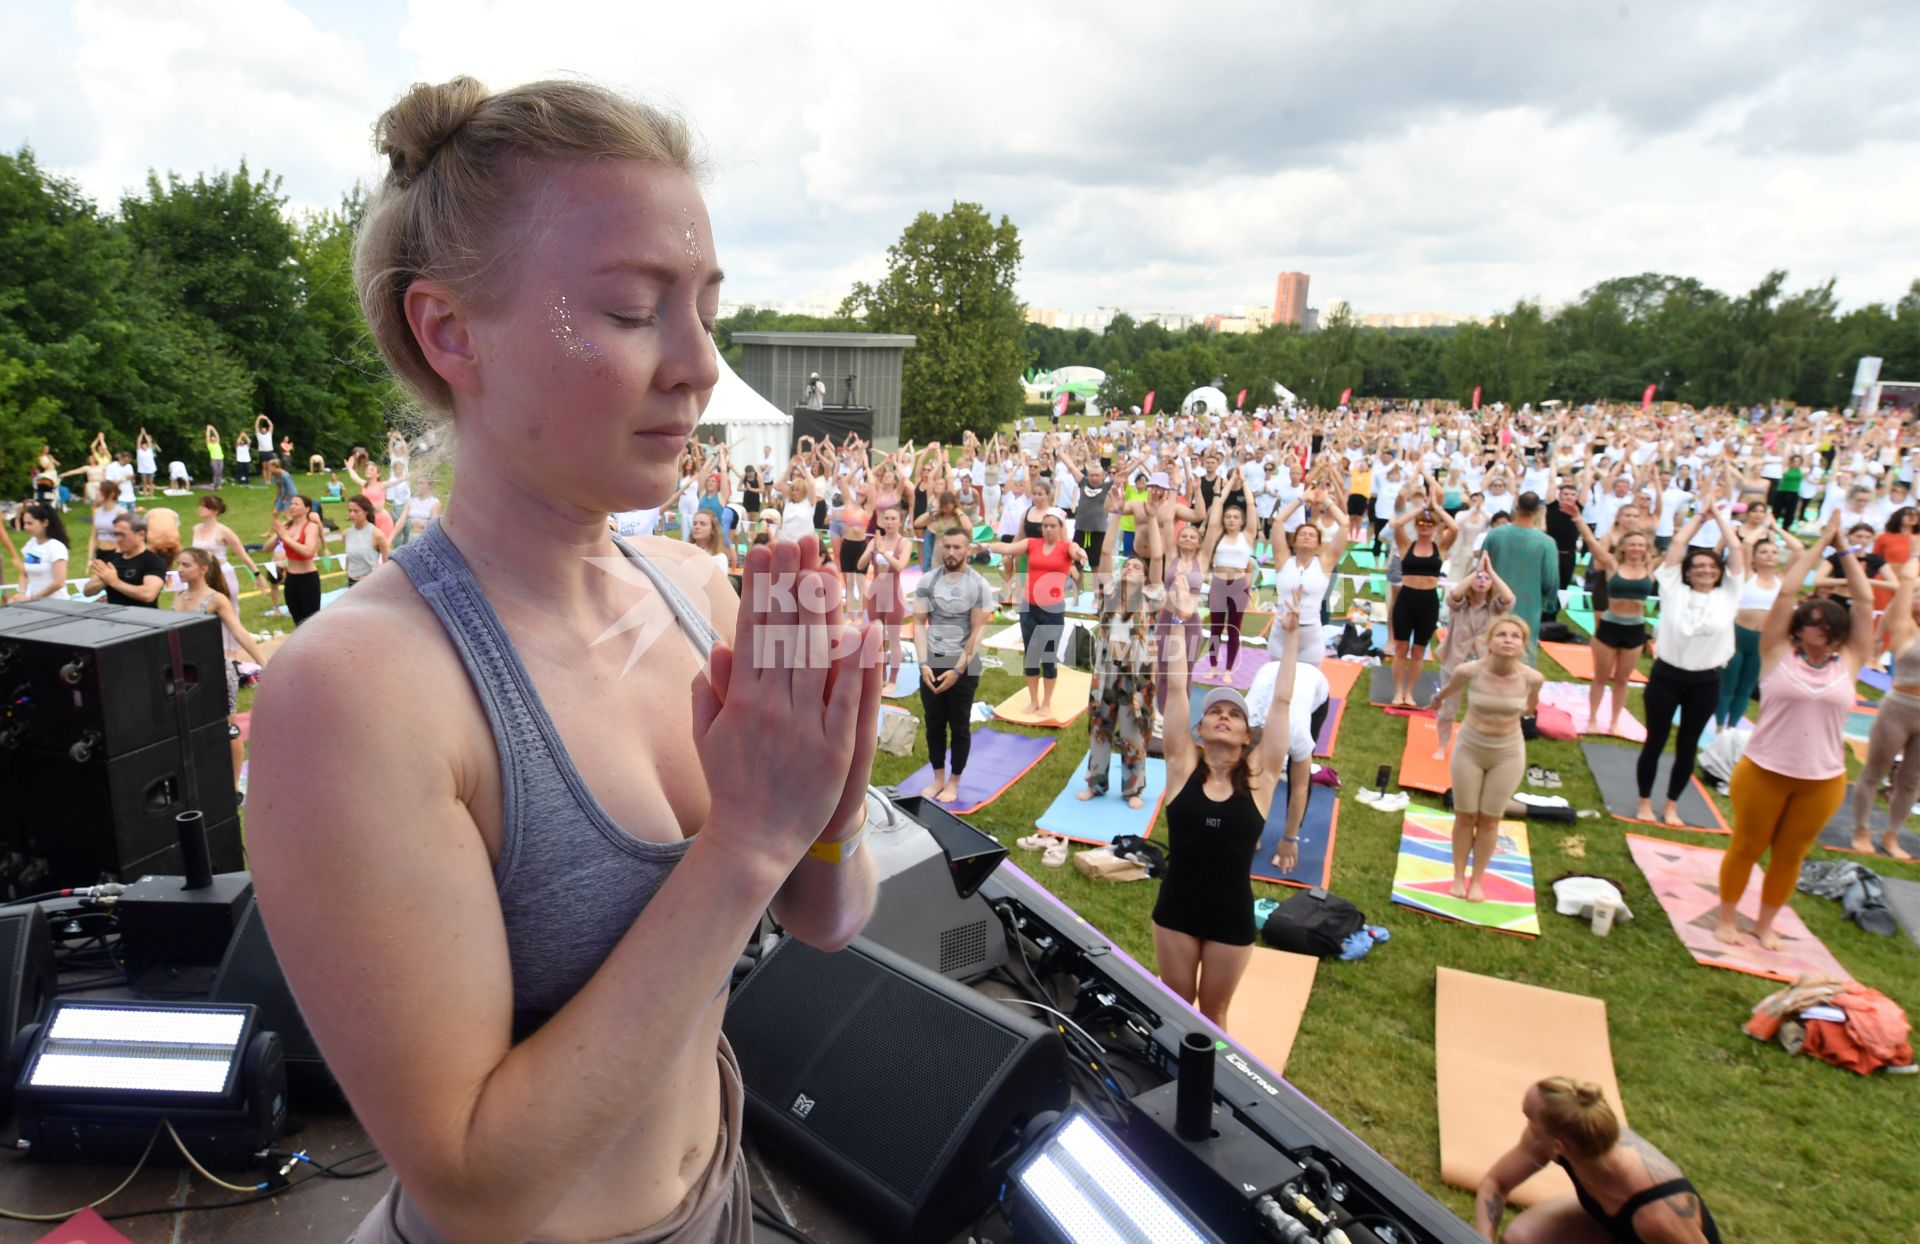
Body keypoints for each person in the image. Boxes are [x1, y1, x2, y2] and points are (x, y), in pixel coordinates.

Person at [248, 76, 879, 1244]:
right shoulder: (361, 690)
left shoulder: (697, 588)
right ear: (450, 332)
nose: (696, 364)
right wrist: (743, 840)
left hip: (718, 1198)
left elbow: (830, 915)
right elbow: (475, 1187)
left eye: (705, 307)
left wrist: (822, 805)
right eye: (636, 310)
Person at [1154, 586, 1311, 1026]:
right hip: (1176, 910)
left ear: (1246, 736)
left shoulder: (1260, 779)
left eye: (1235, 714)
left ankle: (1211, 1090)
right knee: (1176, 1005)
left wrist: (1291, 637)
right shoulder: (1182, 768)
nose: (1224, 715)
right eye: (1215, 712)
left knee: (1214, 1013)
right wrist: (1183, 623)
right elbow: (1177, 689)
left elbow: (1281, 703)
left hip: (1231, 916)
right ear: (1200, 730)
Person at [1720, 513, 1872, 950]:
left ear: (1838, 631)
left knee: (1790, 855)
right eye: (1811, 621)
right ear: (1798, 626)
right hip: (1764, 769)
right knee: (1747, 847)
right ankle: (1727, 918)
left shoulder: (1852, 660)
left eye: (1827, 624)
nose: (1818, 628)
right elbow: (1786, 591)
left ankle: (1765, 924)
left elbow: (1863, 603)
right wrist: (1817, 544)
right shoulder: (1778, 652)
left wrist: (1843, 549)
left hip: (1822, 779)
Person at [1473, 1076, 1721, 1243]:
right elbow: (1495, 1184)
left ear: (1560, 1146)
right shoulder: (1563, 1140)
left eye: (1530, 1117)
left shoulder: (1657, 1215)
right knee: (1521, 1237)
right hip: (1612, 1222)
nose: (1527, 1125)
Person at [1635, 495, 1745, 825]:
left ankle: (1671, 805)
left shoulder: (1729, 594)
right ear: (1687, 572)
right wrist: (1701, 516)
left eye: (1712, 567)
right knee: (1655, 740)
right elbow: (1679, 543)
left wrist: (1722, 521)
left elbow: (1737, 552)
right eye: (1699, 567)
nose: (1705, 571)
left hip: (1705, 680)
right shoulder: (1673, 589)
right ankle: (1644, 802)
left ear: (1719, 572)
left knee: (1687, 746)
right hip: (1667, 675)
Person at [1430, 615, 1543, 899]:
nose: (1508, 640)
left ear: (1523, 645)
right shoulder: (1469, 671)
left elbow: (1531, 708)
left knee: (1491, 819)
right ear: (1488, 641)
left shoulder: (1532, 678)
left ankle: (1477, 881)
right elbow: (1446, 693)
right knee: (1466, 815)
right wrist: (1436, 702)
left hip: (1507, 752)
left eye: (1515, 636)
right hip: (1470, 747)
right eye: (1501, 634)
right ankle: (1458, 876)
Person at [175, 547, 270, 791]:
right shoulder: (178, 597)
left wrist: (263, 662)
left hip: (216, 669)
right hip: (186, 672)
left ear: (203, 569)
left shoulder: (216, 599)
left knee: (228, 727)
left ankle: (235, 784)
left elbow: (239, 632)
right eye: (179, 564)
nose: (180, 570)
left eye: (186, 565)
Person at [978, 511, 1089, 718]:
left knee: (1048, 657)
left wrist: (1081, 553)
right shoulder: (1032, 543)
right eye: (1045, 525)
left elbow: (1076, 550)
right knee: (1030, 656)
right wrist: (987, 546)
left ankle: (1046, 703)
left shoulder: (1066, 547)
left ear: (1060, 527)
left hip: (1052, 610)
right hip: (1029, 606)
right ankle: (1033, 700)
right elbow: (1009, 547)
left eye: (1052, 526)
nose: (1047, 529)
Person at [912, 527, 995, 803]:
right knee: (933, 723)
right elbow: (918, 624)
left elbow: (977, 632)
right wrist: (923, 663)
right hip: (933, 658)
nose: (951, 552)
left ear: (968, 550)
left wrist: (958, 670)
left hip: (964, 663)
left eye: (957, 547)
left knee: (958, 725)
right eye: (946, 546)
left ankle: (954, 781)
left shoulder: (978, 585)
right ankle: (937, 778)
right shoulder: (927, 581)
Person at [1851, 543, 1920, 859]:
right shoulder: (1905, 629)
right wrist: (1916, 553)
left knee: (1911, 781)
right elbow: (1906, 583)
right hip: (1899, 707)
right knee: (1873, 771)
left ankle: (1892, 836)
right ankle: (1861, 829)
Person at [1080, 556, 1162, 809]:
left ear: (1146, 578)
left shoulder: (1151, 600)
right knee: (1100, 728)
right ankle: (1095, 783)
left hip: (1135, 676)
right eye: (1127, 565)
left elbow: (1157, 558)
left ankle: (1133, 789)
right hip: (1107, 673)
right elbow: (1104, 556)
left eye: (1137, 567)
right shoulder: (1109, 596)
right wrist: (1114, 517)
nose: (1129, 568)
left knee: (1133, 731)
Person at [1567, 506, 1656, 737]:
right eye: (1632, 544)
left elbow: (1677, 548)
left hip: (1635, 629)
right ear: (1623, 547)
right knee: (1600, 677)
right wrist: (1577, 517)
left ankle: (1615, 721)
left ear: (1646, 548)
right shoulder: (1612, 564)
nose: (1636, 548)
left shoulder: (1651, 567)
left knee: (1622, 680)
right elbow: (1590, 540)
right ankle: (1593, 719)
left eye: (1640, 544)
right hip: (1609, 626)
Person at [1431, 553, 1517, 758]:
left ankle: (1476, 746)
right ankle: (1442, 744)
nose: (1481, 581)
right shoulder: (1459, 605)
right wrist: (1476, 572)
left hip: (1484, 664)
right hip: (1455, 661)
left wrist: (1491, 572)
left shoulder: (1496, 607)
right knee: (1448, 706)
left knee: (1482, 707)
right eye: (1478, 577)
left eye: (1485, 579)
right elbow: (1454, 594)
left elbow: (1509, 598)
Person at [1716, 523, 1799, 728]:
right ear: (1755, 557)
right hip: (1738, 636)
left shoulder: (1781, 579)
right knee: (1728, 685)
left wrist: (1778, 529)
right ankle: (1719, 728)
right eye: (1764, 552)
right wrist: (1764, 526)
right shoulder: (1747, 575)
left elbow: (1798, 550)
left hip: (1763, 642)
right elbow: (1747, 543)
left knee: (1746, 687)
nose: (1769, 555)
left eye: (1773, 552)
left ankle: (1732, 727)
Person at [1387, 479, 1456, 707]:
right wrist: (1419, 508)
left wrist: (1435, 508)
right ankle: (1398, 691)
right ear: (1416, 525)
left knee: (1418, 651)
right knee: (1400, 648)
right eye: (1421, 523)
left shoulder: (1441, 548)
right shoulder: (1407, 545)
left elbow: (1454, 528)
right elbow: (1397, 525)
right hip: (1406, 599)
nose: (1425, 526)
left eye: (1429, 523)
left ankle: (1410, 692)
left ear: (1435, 527)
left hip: (1428, 601)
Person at [1481, 492, 1558, 664]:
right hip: (1529, 603)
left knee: (1492, 642)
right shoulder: (1546, 542)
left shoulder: (1495, 535)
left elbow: (1482, 568)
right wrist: (1550, 603)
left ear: (1516, 507)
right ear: (1538, 511)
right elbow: (1551, 580)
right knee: (1523, 645)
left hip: (1495, 600)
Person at [1201, 471, 1256, 675]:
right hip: (1218, 584)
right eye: (1228, 517)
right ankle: (1214, 666)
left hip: (1238, 585)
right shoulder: (1217, 533)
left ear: (1241, 521)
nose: (1231, 520)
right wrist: (1231, 481)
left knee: (1234, 629)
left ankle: (1228, 670)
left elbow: (1251, 506)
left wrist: (1244, 482)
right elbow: (1218, 504)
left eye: (1235, 517)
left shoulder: (1247, 535)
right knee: (1215, 628)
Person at [859, 503, 912, 690]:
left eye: (893, 519)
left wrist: (883, 552)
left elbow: (900, 566)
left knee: (894, 638)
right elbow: (860, 565)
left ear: (900, 521)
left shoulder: (905, 543)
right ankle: (880, 676)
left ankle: (893, 680)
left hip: (893, 594)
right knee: (877, 637)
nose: (889, 522)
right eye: (886, 519)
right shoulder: (875, 541)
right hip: (875, 593)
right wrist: (872, 550)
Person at [84, 513, 167, 608]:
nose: (118, 539)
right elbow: (87, 591)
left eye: (122, 535)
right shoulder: (112, 560)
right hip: (115, 619)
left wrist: (114, 582)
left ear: (141, 534)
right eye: (116, 535)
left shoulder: (153, 561)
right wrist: (104, 580)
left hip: (143, 620)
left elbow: (148, 594)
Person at [273, 494, 326, 627]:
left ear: (307, 509)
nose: (292, 506)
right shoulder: (287, 526)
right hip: (291, 579)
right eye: (291, 503)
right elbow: (266, 547)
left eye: (296, 504)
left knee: (311, 623)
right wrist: (277, 535)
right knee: (298, 621)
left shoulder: (311, 527)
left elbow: (308, 552)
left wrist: (286, 539)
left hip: (308, 579)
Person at [5, 502, 70, 605]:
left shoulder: (56, 547)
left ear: (45, 523)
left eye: (30, 523)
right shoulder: (31, 544)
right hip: (34, 604)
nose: (25, 527)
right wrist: (22, 594)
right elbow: (24, 573)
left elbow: (59, 582)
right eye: (24, 523)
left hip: (57, 604)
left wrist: (32, 598)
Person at [343, 494, 395, 587]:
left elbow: (387, 563)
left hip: (370, 583)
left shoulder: (377, 535)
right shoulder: (346, 534)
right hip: (351, 581)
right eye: (350, 510)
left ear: (366, 511)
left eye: (356, 511)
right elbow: (350, 559)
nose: (352, 514)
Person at [135, 428, 158, 497]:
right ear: (141, 447)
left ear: (147, 446)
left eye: (145, 445)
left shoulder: (149, 450)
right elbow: (138, 442)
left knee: (151, 483)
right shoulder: (139, 451)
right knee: (144, 483)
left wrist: (145, 434)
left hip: (151, 469)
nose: (144, 446)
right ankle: (145, 495)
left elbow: (149, 441)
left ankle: (151, 495)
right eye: (143, 446)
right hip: (143, 469)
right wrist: (141, 434)